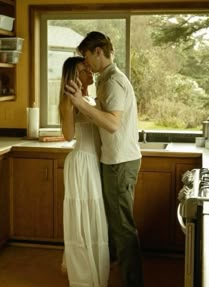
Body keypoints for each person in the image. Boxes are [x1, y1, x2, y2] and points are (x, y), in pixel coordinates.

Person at [64, 32, 144, 287]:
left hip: (120, 162)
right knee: (114, 226)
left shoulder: (112, 82)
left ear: (98, 51)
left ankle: (132, 283)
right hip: (112, 161)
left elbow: (112, 124)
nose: (86, 64)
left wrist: (81, 103)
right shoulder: (105, 80)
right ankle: (104, 272)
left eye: (86, 57)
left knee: (122, 228)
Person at [59, 56, 110, 287]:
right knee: (81, 220)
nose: (90, 73)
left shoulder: (91, 97)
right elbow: (69, 136)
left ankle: (94, 268)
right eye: (84, 70)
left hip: (94, 162)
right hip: (81, 162)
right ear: (73, 76)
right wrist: (73, 103)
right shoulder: (68, 101)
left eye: (89, 69)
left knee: (94, 217)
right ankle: (82, 276)